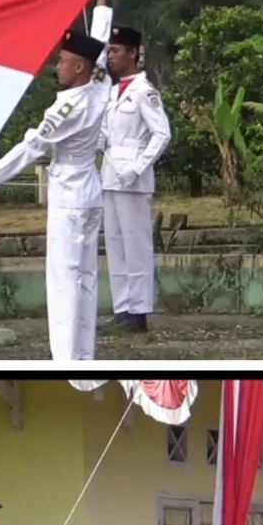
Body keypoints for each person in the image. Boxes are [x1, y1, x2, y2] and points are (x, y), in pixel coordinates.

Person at [0, 0, 115, 360]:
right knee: (86, 277)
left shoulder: (65, 109)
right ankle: (84, 356)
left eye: (62, 61)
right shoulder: (100, 85)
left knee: (64, 280)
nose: (57, 66)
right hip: (90, 189)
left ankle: (67, 358)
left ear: (78, 68)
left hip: (69, 195)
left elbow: (29, 149)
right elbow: (98, 45)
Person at [98, 24, 171, 334]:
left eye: (115, 50)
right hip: (110, 174)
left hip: (133, 177)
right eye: (109, 50)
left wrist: (139, 166)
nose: (110, 56)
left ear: (131, 53)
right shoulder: (112, 92)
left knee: (136, 244)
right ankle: (122, 308)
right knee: (115, 245)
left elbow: (162, 133)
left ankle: (139, 311)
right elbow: (106, 133)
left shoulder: (144, 91)